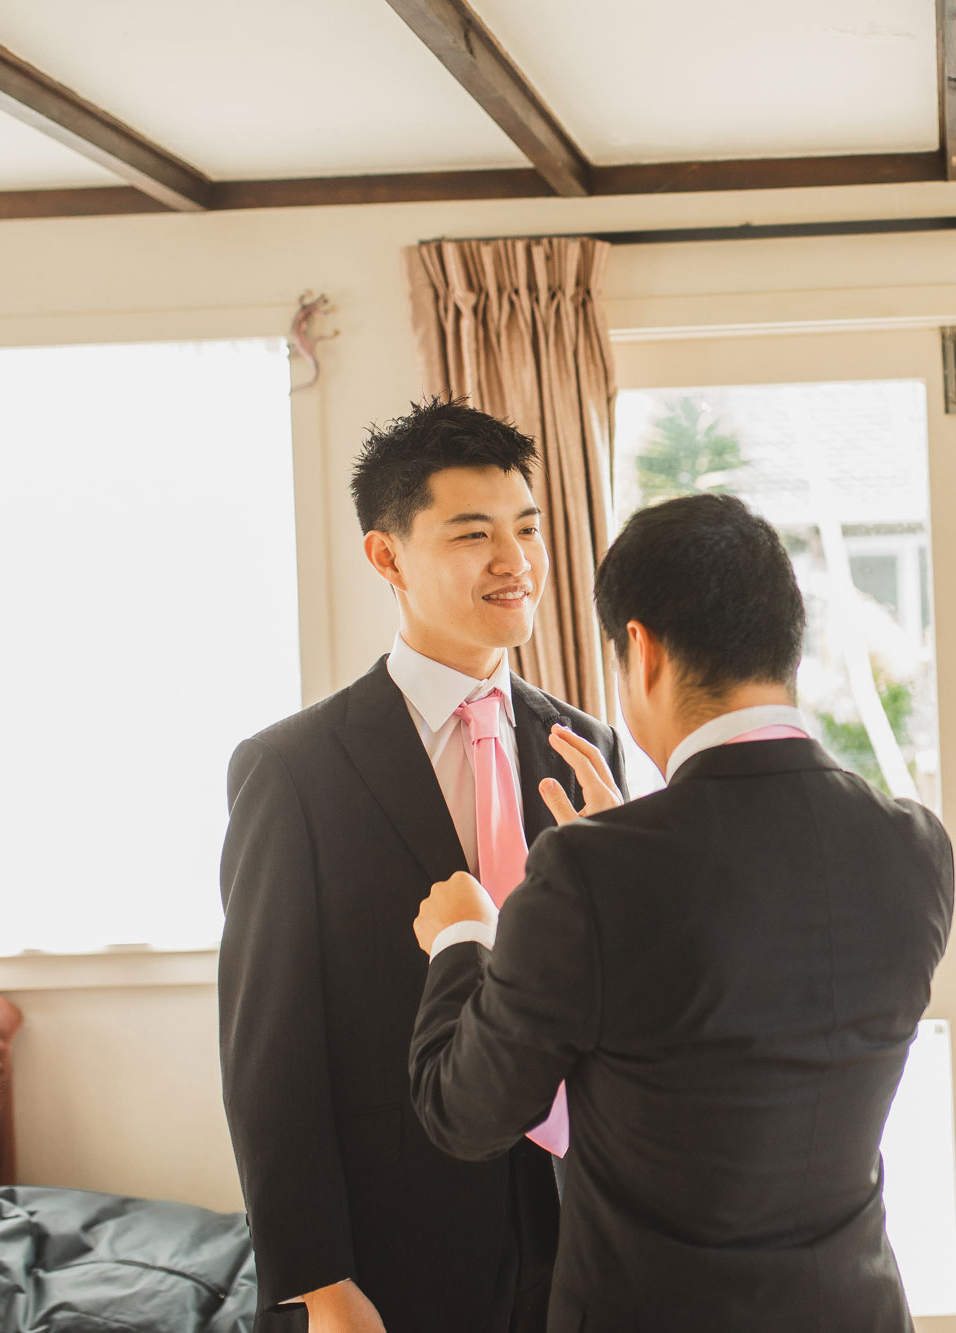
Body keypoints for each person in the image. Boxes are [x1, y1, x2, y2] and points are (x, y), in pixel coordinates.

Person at [407, 493, 955, 1333]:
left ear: (643, 649)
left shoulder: (593, 873)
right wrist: (611, 852)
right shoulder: (915, 848)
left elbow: (467, 1111)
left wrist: (463, 939)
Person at [219, 400, 625, 1333]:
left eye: (527, 528)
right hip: (396, 1249)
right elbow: (267, 1051)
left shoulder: (583, 747)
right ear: (387, 556)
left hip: (581, 1231)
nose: (515, 561)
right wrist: (322, 1284)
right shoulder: (293, 770)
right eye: (473, 533)